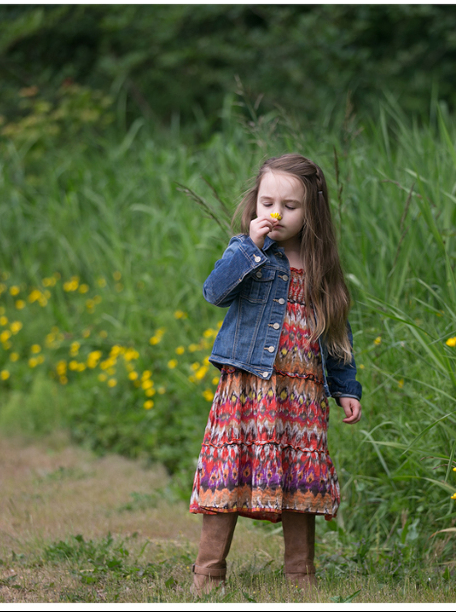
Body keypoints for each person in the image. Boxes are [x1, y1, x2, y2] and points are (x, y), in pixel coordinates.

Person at [189, 153, 362, 596]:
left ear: (312, 211)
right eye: (268, 203)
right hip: (248, 387)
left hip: (301, 393)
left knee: (300, 477)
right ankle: (208, 573)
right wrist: (250, 247)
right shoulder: (247, 251)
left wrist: (346, 387)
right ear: (255, 203)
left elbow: (336, 334)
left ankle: (301, 577)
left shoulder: (321, 267)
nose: (276, 214)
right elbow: (215, 292)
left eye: (290, 206)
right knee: (228, 471)